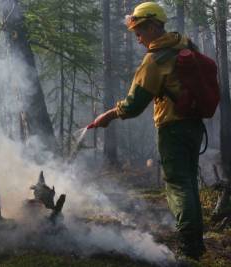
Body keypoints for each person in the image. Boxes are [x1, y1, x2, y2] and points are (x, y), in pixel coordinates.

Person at [87, 1, 206, 260]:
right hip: (194, 126)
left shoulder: (155, 59)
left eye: (140, 32)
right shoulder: (183, 45)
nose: (138, 39)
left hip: (172, 128)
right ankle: (196, 242)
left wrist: (108, 115)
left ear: (153, 27)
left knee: (177, 184)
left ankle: (188, 247)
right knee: (188, 182)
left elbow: (134, 105)